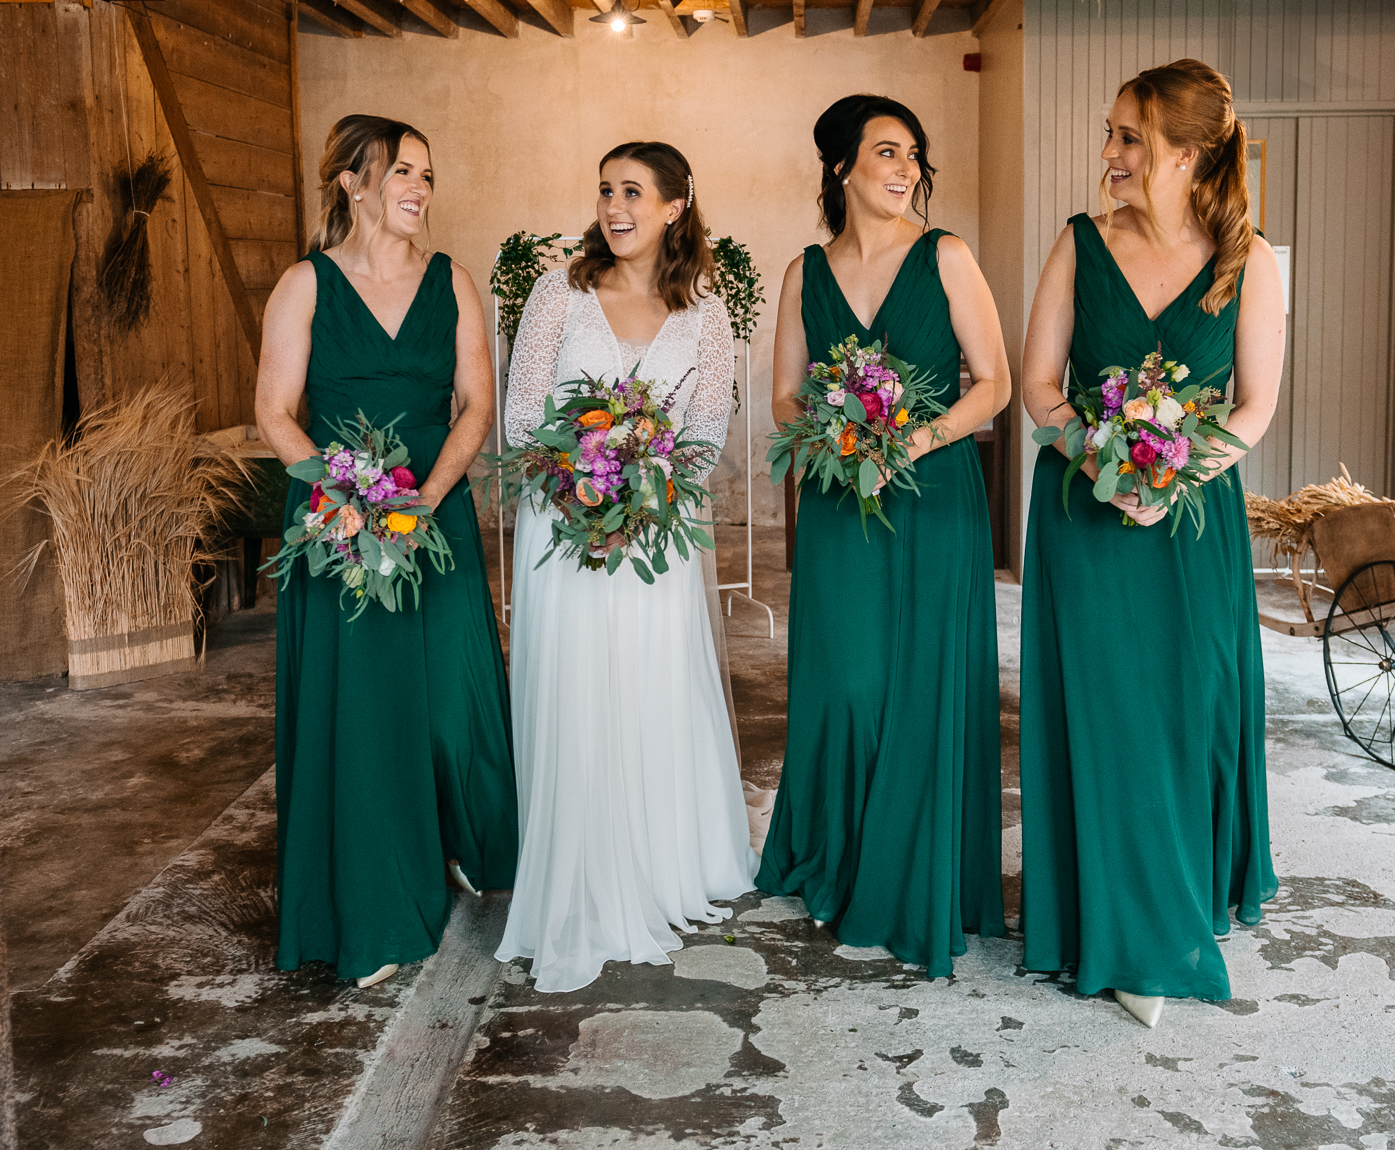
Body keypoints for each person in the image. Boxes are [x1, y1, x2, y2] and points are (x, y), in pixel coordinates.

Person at [1018, 59, 1284, 1026]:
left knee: (1187, 708)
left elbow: (1254, 408)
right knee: (1108, 712)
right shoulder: (1079, 244)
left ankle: (1178, 892)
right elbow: (1040, 381)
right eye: (1112, 134)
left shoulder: (1251, 263)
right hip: (1086, 518)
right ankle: (1128, 930)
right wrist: (1104, 462)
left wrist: (1171, 473)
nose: (1110, 155)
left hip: (1192, 525)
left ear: (1189, 153)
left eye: (1129, 138)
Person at [256, 114, 519, 989]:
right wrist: (347, 498)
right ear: (352, 182)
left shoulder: (454, 282)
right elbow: (274, 415)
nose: (419, 189)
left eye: (428, 175)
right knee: (363, 722)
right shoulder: (305, 285)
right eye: (402, 171)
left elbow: (476, 406)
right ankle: (374, 905)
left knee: (449, 705)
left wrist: (426, 499)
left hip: (431, 514)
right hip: (340, 528)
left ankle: (461, 841)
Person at [756, 95, 1010, 977]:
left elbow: (995, 384)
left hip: (933, 495)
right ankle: (845, 854)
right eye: (887, 153)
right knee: (848, 683)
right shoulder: (804, 273)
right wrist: (834, 433)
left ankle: (917, 871)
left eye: (914, 156)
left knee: (924, 683)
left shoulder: (946, 256)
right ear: (841, 167)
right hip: (837, 499)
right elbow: (784, 393)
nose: (905, 170)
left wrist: (912, 437)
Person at [494, 141, 755, 994]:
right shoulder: (560, 293)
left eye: (634, 192)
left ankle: (656, 868)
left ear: (677, 206)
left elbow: (709, 427)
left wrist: (647, 487)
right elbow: (523, 412)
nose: (615, 206)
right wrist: (577, 481)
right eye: (606, 190)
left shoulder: (706, 313)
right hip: (562, 532)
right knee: (576, 693)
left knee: (649, 692)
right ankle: (576, 881)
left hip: (655, 536)